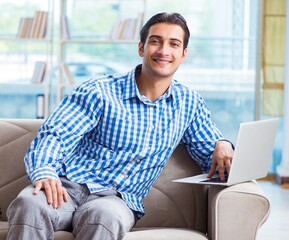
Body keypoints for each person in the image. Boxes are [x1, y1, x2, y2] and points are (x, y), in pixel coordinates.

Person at [7, 12, 234, 240]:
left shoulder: (189, 104)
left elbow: (213, 158)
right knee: (29, 204)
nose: (164, 51)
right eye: (155, 41)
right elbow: (55, 134)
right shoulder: (99, 90)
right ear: (141, 48)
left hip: (118, 200)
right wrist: (45, 171)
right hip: (67, 187)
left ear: (183, 54)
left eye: (173, 44)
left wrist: (223, 143)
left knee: (104, 217)